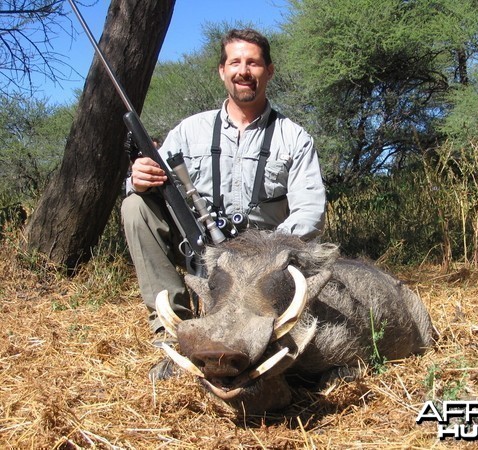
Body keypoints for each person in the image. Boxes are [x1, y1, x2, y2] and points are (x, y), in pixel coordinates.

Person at [121, 29, 326, 361]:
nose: (243, 71)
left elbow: (311, 212)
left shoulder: (295, 138)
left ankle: (262, 329)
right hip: (200, 250)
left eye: (253, 63)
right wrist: (138, 179)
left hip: (264, 260)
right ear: (222, 71)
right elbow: (147, 183)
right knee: (135, 206)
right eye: (235, 62)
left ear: (269, 71)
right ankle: (172, 330)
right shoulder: (189, 131)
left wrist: (263, 252)